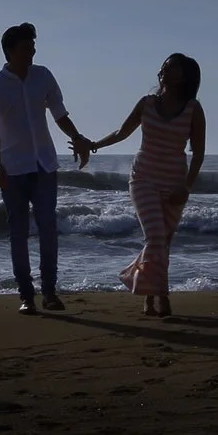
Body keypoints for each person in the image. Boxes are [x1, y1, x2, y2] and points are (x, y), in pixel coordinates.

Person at [0, 22, 96, 316]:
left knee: (48, 229)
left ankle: (50, 292)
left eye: (33, 46)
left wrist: (78, 138)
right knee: (18, 233)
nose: (32, 51)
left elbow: (60, 113)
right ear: (10, 51)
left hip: (44, 164)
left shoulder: (42, 76)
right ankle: (26, 295)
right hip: (13, 169)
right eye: (26, 47)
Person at [87, 53, 206, 319]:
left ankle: (147, 296)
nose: (165, 71)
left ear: (183, 76)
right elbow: (121, 132)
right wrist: (93, 145)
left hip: (175, 182)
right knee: (154, 238)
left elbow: (198, 153)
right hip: (143, 178)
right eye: (165, 67)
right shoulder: (147, 103)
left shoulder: (193, 109)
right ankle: (162, 296)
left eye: (172, 68)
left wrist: (186, 187)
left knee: (163, 243)